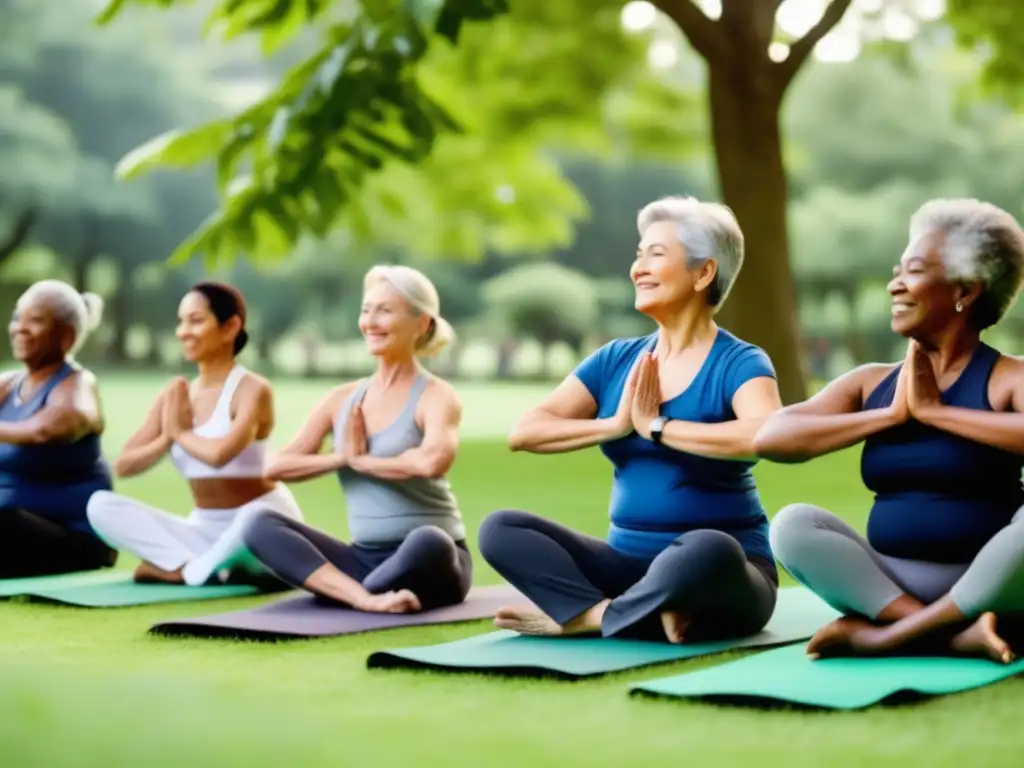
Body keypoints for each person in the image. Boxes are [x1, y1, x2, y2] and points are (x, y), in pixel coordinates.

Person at [478, 196, 784, 643]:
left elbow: (767, 433)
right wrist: (615, 426)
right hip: (626, 569)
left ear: (704, 272)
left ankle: (592, 617)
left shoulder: (740, 362)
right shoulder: (616, 360)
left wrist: (659, 428)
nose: (637, 268)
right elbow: (526, 431)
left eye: (655, 255)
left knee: (709, 546)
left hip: (721, 575)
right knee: (501, 529)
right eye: (638, 255)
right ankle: (628, 613)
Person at [757, 198, 1024, 663]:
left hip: (990, 579)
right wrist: (888, 416)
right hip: (890, 580)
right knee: (794, 524)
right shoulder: (871, 383)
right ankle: (948, 633)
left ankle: (884, 637)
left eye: (913, 271)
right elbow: (772, 437)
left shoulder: (1007, 377)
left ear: (966, 289)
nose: (893, 285)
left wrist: (937, 413)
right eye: (896, 270)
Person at [241, 265, 471, 614]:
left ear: (422, 324)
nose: (371, 321)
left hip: (435, 562)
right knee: (258, 522)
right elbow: (275, 465)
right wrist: (341, 458)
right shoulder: (342, 399)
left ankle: (346, 591)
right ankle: (366, 596)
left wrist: (363, 462)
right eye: (366, 310)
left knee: (430, 540)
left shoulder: (437, 396)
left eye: (385, 311)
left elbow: (431, 461)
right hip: (364, 558)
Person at [86, 282, 302, 586]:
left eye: (196, 320)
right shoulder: (176, 394)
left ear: (230, 327)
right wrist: (165, 439)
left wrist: (177, 431)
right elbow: (123, 465)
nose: (183, 331)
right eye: (181, 321)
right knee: (100, 505)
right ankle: (200, 568)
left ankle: (184, 568)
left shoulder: (252, 389)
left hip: (260, 522)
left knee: (252, 526)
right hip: (203, 529)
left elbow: (219, 455)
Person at [0, 280, 116, 577]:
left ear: (66, 336)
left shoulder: (77, 384)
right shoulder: (10, 384)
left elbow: (51, 427)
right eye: (17, 318)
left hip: (71, 537)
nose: (20, 329)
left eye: (35, 321)